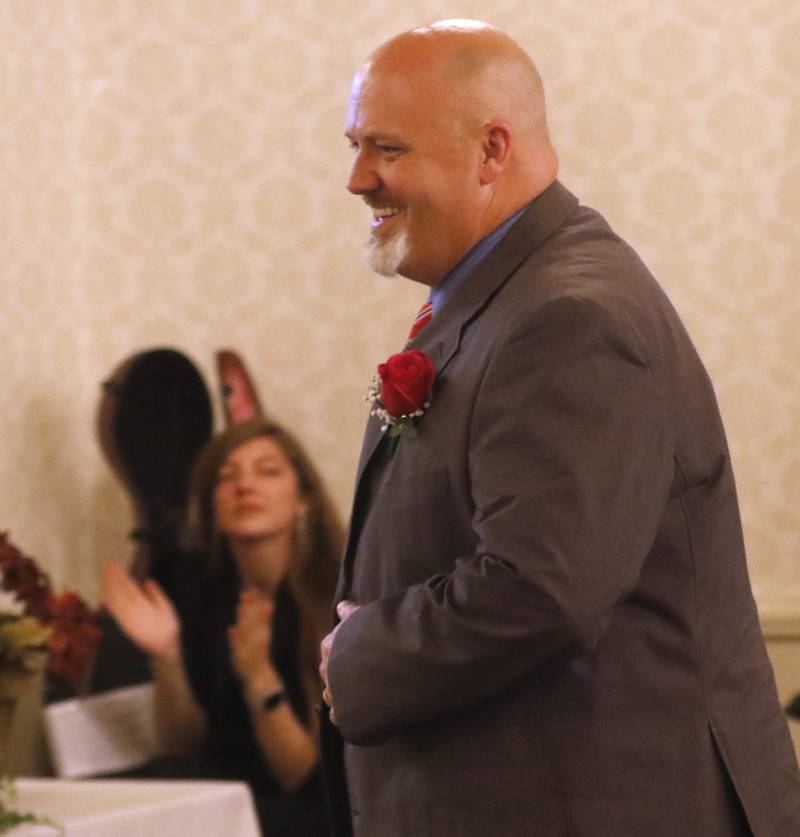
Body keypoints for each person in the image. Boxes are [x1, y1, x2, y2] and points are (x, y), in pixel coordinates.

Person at [318, 19, 800, 837]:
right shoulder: (506, 296)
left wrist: (361, 651)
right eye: (355, 145)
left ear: (491, 150)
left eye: (387, 149)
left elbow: (539, 587)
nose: (358, 178)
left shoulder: (569, 316)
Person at [103, 418, 343, 836]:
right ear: (211, 502)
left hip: (306, 814)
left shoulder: (336, 594)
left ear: (303, 498)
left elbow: (308, 784)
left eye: (267, 471)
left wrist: (258, 679)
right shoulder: (193, 588)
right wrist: (166, 655)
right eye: (225, 476)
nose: (244, 486)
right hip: (216, 797)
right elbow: (184, 746)